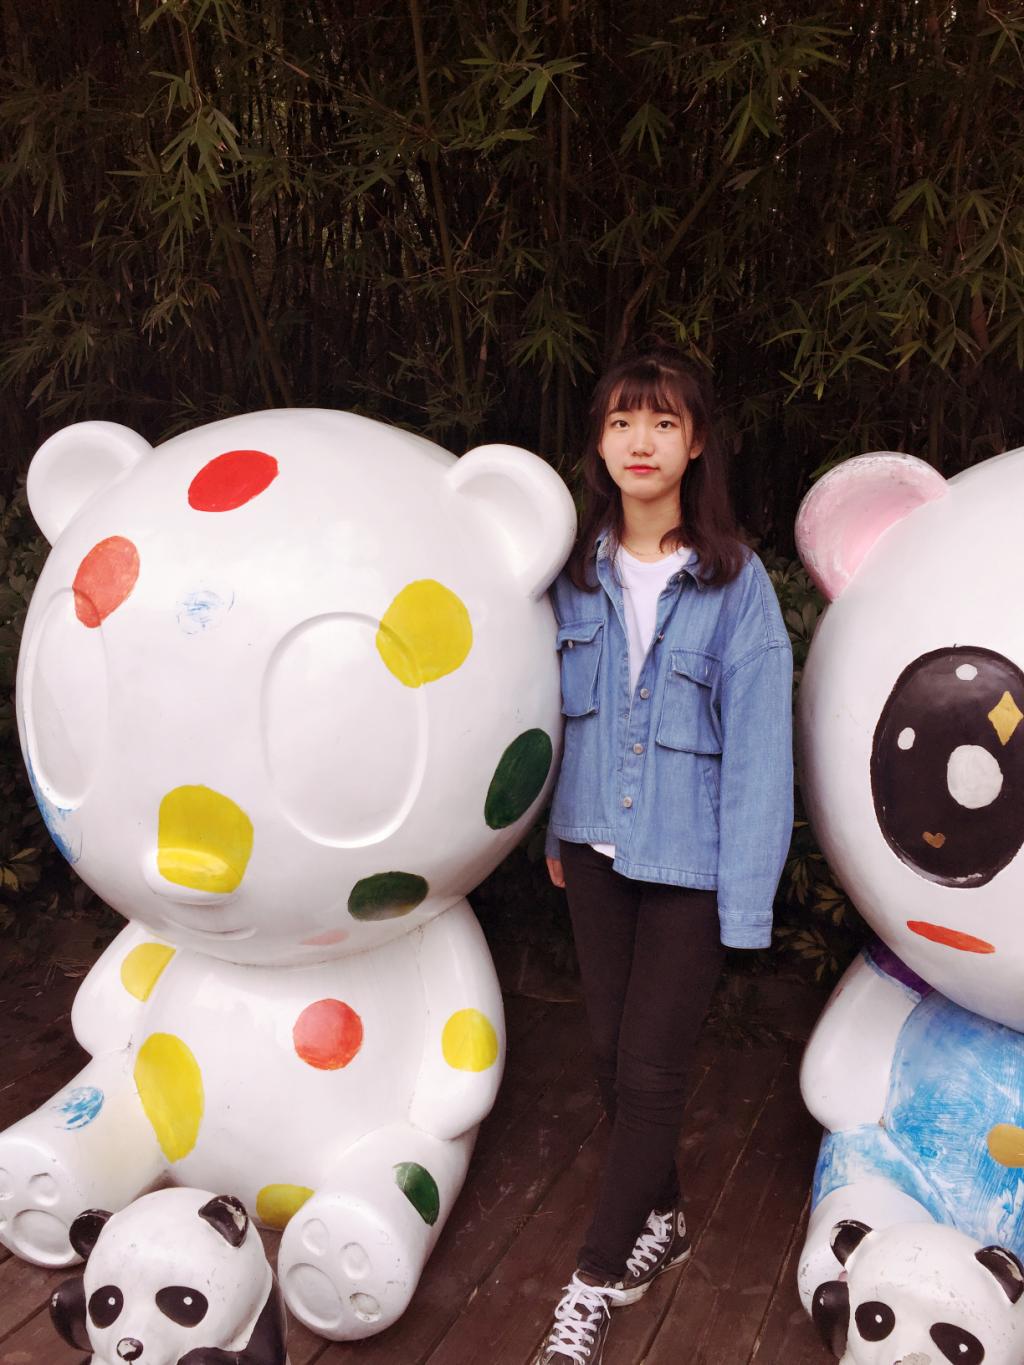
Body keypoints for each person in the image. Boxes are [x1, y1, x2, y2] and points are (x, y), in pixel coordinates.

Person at [534, 349, 793, 1365]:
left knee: (647, 1071)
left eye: (663, 423)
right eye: (621, 422)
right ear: (599, 445)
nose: (640, 442)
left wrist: (744, 902)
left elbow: (761, 752)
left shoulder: (735, 583)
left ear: (695, 444)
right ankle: (666, 1217)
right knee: (609, 1056)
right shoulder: (569, 576)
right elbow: (540, 716)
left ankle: (592, 1281)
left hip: (689, 860)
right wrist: (553, 830)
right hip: (593, 848)